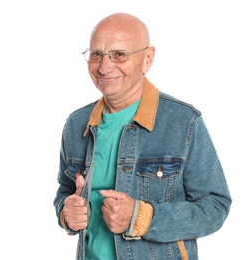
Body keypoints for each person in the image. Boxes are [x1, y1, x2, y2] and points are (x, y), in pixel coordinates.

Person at [53, 12, 232, 260]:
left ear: (147, 59)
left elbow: (215, 206)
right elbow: (64, 191)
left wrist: (142, 218)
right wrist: (66, 212)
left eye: (119, 54)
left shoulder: (184, 122)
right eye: (96, 54)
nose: (104, 67)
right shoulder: (76, 124)